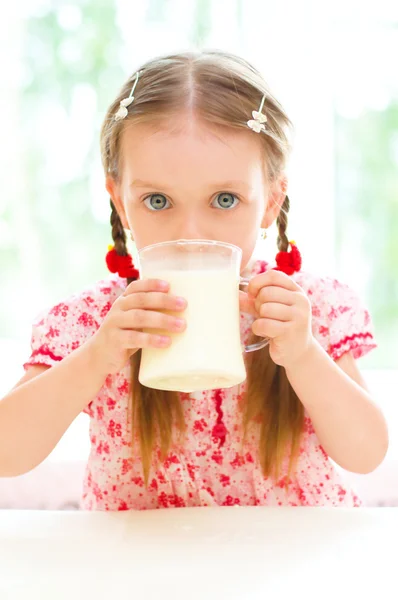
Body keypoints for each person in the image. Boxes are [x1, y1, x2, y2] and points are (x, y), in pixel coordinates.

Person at [0, 50, 388, 510]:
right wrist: (98, 355)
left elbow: (366, 455)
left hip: (286, 562)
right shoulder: (93, 323)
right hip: (142, 567)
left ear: (269, 202)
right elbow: (9, 454)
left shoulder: (308, 309)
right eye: (158, 201)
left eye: (224, 200)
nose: (190, 235)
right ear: (121, 202)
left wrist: (303, 355)